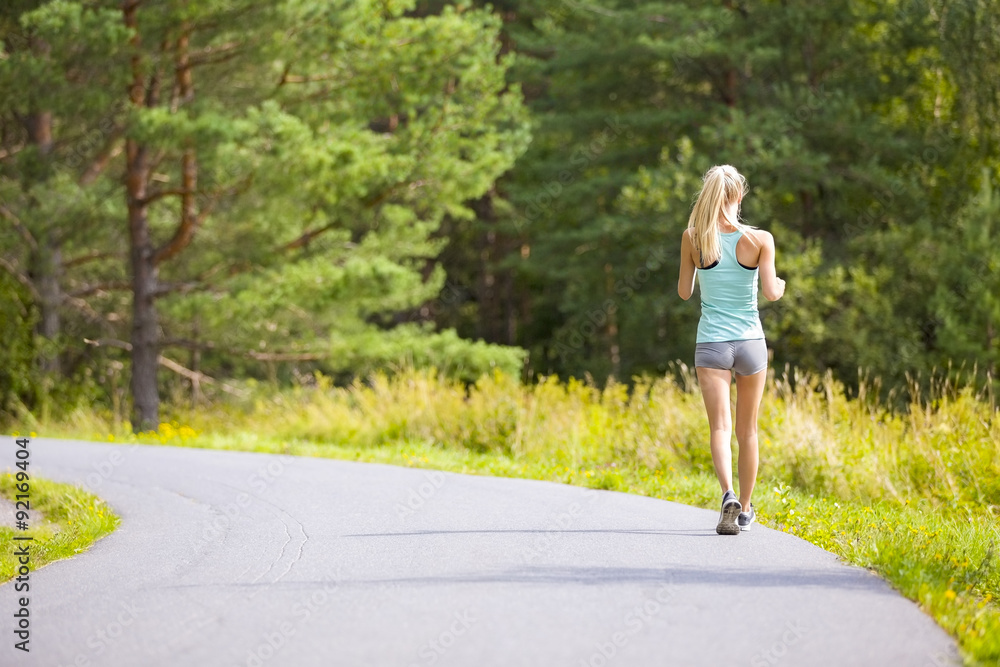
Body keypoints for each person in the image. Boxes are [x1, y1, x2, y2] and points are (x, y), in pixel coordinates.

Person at [676, 165, 785, 535]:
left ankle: (727, 494)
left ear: (707, 196)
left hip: (711, 343)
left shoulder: (693, 237)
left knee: (719, 428)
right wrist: (781, 285)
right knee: (747, 431)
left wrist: (696, 267)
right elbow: (771, 292)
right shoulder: (760, 239)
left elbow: (684, 292)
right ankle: (746, 510)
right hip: (751, 342)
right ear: (738, 197)